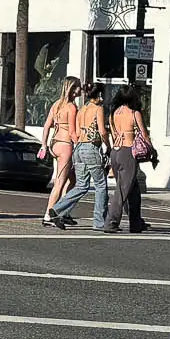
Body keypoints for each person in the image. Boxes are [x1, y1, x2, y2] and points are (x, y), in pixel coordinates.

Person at [46, 82, 113, 231]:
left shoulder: (82, 109)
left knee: (81, 185)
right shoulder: (98, 109)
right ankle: (99, 221)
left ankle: (57, 209)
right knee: (101, 185)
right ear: (100, 95)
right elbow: (102, 131)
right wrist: (108, 146)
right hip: (91, 148)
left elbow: (75, 131)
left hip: (79, 148)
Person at [107, 85, 150, 233]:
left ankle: (136, 223)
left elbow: (113, 134)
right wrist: (152, 150)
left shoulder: (114, 113)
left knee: (133, 191)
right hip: (128, 151)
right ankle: (111, 222)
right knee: (121, 190)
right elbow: (144, 134)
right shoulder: (134, 113)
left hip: (116, 151)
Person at [40, 77, 81, 206]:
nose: (81, 88)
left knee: (72, 179)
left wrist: (44, 145)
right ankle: (50, 213)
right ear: (72, 89)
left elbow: (47, 125)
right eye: (78, 86)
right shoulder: (71, 107)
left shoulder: (56, 104)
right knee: (59, 182)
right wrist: (81, 145)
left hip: (54, 143)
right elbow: (72, 132)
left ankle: (62, 210)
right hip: (65, 145)